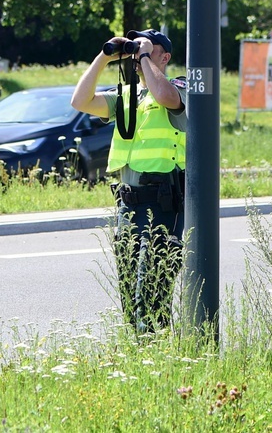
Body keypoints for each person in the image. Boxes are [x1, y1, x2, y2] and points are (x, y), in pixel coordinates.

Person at [71, 29, 187, 333]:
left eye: (148, 48)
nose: (138, 54)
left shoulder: (180, 87)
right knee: (129, 288)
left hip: (163, 201)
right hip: (127, 202)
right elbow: (80, 101)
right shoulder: (128, 94)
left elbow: (164, 97)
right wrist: (105, 56)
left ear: (165, 56)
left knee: (153, 287)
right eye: (136, 49)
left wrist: (147, 56)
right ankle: (139, 351)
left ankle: (157, 349)